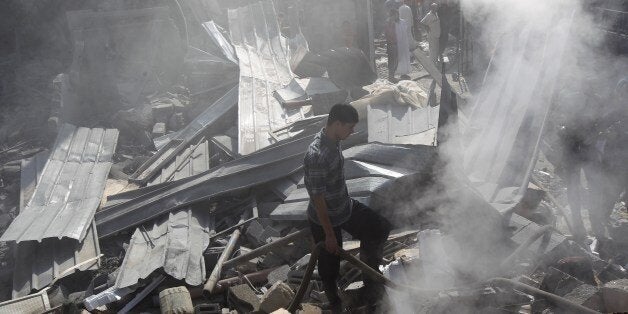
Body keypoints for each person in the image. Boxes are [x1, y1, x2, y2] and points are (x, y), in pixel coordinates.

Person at [304, 104, 392, 311]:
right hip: (323, 216)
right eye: (350, 127)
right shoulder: (316, 155)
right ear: (337, 124)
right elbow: (317, 198)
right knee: (329, 266)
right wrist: (329, 235)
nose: (352, 132)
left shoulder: (334, 139)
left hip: (343, 206)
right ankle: (335, 303)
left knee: (379, 228)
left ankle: (372, 286)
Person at [386, 9, 412, 81]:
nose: (396, 16)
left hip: (403, 43)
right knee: (395, 60)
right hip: (395, 44)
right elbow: (389, 34)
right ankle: (393, 76)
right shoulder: (391, 23)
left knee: (404, 58)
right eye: (395, 15)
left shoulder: (403, 22)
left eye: (397, 14)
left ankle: (404, 73)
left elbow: (406, 32)